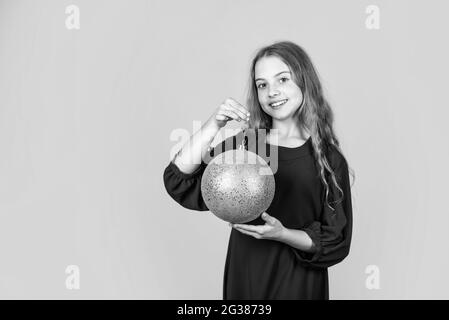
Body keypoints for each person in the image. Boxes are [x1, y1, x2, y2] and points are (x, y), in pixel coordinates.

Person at [163, 41, 354, 300]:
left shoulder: (328, 159)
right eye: (262, 84)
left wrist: (282, 234)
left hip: (300, 285)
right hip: (247, 279)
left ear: (304, 82)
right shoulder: (247, 145)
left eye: (283, 79)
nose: (272, 92)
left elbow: (336, 240)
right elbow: (180, 180)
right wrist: (214, 124)